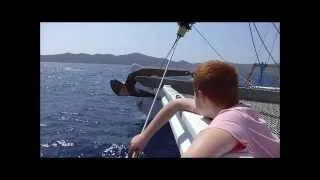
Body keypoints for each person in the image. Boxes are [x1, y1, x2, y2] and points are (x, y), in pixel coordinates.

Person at [129, 60, 280, 158]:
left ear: (200, 95)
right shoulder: (239, 109)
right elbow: (177, 104)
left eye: (194, 95)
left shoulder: (228, 121)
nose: (193, 101)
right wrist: (144, 137)